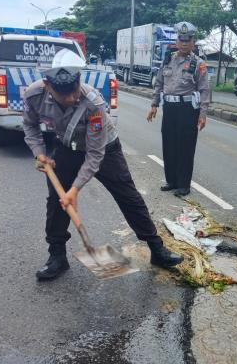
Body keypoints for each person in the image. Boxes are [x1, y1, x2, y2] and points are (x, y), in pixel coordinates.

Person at [23, 49, 183, 281]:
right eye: (62, 94)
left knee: (129, 197)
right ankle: (57, 255)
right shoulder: (33, 95)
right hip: (67, 148)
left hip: (105, 150)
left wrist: (75, 190)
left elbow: (95, 155)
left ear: (79, 81)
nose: (69, 99)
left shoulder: (93, 103)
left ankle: (157, 249)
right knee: (57, 203)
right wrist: (39, 153)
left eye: (73, 91)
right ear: (48, 85)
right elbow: (29, 125)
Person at [146, 21, 210, 197]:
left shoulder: (199, 63)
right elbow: (159, 83)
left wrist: (202, 114)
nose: (184, 43)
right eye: (181, 39)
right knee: (169, 145)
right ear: (176, 40)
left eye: (187, 40)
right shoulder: (168, 59)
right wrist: (154, 104)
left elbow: (204, 90)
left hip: (188, 110)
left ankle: (184, 185)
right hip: (170, 108)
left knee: (185, 148)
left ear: (193, 41)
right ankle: (172, 180)